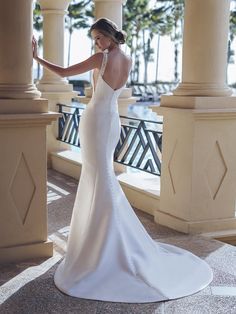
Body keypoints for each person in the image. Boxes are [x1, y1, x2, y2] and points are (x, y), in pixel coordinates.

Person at [32, 17, 213, 303]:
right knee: (100, 174)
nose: (97, 43)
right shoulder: (126, 59)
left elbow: (64, 71)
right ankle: (104, 238)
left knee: (98, 175)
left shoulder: (101, 58)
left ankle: (101, 244)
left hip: (95, 119)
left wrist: (36, 57)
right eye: (95, 40)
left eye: (98, 38)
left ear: (108, 36)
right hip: (111, 119)